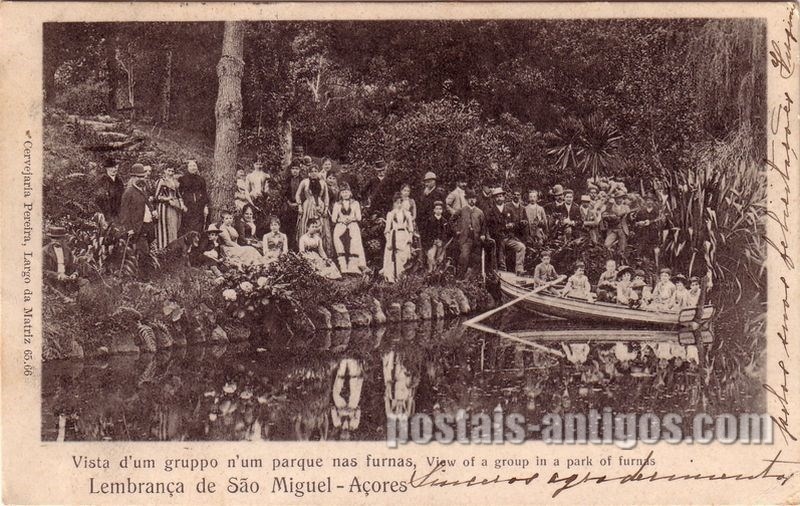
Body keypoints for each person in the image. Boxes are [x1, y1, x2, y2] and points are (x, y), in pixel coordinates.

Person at [117, 164, 157, 279]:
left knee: (146, 251)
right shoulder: (128, 192)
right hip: (137, 227)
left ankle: (142, 274)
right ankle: (143, 278)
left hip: (148, 225)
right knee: (144, 252)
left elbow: (147, 203)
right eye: (139, 177)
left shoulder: (142, 189)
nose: (141, 179)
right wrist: (129, 228)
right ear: (133, 177)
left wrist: (153, 211)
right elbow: (124, 213)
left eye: (142, 176)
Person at [486, 188, 526, 275]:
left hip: (508, 237)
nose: (499, 198)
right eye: (497, 197)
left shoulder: (509, 210)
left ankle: (519, 269)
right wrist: (504, 227)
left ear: (504, 197)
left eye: (500, 196)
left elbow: (515, 223)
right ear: (494, 199)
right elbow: (489, 228)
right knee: (500, 246)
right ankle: (502, 271)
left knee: (521, 247)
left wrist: (512, 225)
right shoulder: (490, 211)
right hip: (497, 238)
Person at [295, 163, 333, 256]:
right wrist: (299, 205)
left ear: (318, 172)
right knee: (306, 225)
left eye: (315, 171)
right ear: (309, 173)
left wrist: (326, 208)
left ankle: (323, 252)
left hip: (320, 206)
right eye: (311, 171)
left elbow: (326, 196)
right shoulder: (304, 182)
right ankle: (304, 251)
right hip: (308, 206)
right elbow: (297, 194)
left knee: (322, 228)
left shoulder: (323, 182)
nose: (313, 173)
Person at [331, 183, 367, 274]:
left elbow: (359, 217)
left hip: (352, 224)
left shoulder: (355, 203)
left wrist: (351, 218)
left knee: (354, 240)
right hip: (341, 224)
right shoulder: (337, 204)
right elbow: (333, 219)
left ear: (350, 193)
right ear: (340, 194)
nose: (345, 194)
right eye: (343, 192)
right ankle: (343, 267)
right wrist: (341, 219)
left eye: (346, 192)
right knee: (337, 239)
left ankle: (353, 267)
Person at [454, 189, 489, 277]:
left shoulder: (480, 212)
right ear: (467, 199)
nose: (472, 200)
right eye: (470, 198)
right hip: (465, 239)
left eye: (474, 198)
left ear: (476, 200)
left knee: (477, 259)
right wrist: (457, 230)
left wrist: (483, 234)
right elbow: (452, 220)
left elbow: (484, 225)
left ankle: (473, 278)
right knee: (464, 257)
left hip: (476, 240)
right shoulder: (462, 210)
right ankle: (461, 277)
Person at [381, 192, 414, 283]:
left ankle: (401, 277)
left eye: (401, 202)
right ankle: (391, 277)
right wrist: (388, 241)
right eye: (397, 203)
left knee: (403, 257)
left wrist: (410, 237)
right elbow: (387, 230)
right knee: (392, 257)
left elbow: (410, 228)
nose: (399, 205)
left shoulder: (407, 214)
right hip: (394, 236)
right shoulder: (391, 214)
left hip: (404, 236)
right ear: (394, 203)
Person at [155, 166, 186, 249]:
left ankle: (173, 249)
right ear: (165, 171)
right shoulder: (161, 181)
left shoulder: (175, 182)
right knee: (165, 229)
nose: (170, 173)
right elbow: (156, 196)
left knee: (174, 228)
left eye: (172, 171)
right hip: (164, 208)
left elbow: (178, 195)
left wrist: (182, 204)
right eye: (169, 171)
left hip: (174, 207)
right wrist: (167, 199)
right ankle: (163, 249)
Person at [178, 159, 209, 235]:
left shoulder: (201, 179)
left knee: (199, 227)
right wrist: (182, 205)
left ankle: (197, 241)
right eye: (191, 166)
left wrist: (205, 206)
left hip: (199, 206)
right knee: (187, 227)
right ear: (188, 168)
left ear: (197, 167)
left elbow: (204, 193)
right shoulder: (182, 179)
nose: (193, 168)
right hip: (187, 206)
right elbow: (179, 193)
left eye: (194, 165)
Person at [421, 200, 450, 273]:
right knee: (431, 256)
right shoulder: (430, 220)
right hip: (432, 243)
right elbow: (426, 233)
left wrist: (442, 241)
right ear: (434, 210)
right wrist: (432, 241)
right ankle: (430, 272)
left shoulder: (444, 221)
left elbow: (446, 233)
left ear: (442, 210)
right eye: (437, 209)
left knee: (439, 259)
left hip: (441, 243)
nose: (438, 210)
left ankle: (437, 273)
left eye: (440, 209)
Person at [94, 157, 125, 224]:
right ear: (107, 168)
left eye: (116, 167)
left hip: (119, 215)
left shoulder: (119, 180)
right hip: (106, 215)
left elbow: (122, 197)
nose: (114, 169)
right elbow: (100, 199)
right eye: (112, 167)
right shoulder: (102, 181)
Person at [604, 187, 631, 256]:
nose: (620, 200)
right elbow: (604, 215)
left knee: (622, 249)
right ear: (615, 199)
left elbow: (630, 219)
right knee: (606, 245)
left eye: (621, 198)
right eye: (618, 198)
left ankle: (620, 259)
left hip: (622, 230)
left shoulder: (626, 207)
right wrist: (612, 217)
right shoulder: (610, 207)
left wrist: (630, 216)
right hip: (613, 229)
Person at [283, 161, 303, 250]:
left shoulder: (303, 180)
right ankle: (288, 246)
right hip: (289, 205)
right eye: (293, 169)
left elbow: (304, 194)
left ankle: (296, 247)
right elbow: (284, 193)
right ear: (290, 170)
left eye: (297, 169)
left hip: (299, 205)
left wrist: (298, 204)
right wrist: (289, 202)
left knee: (297, 227)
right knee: (288, 226)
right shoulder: (287, 180)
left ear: (300, 170)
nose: (295, 171)